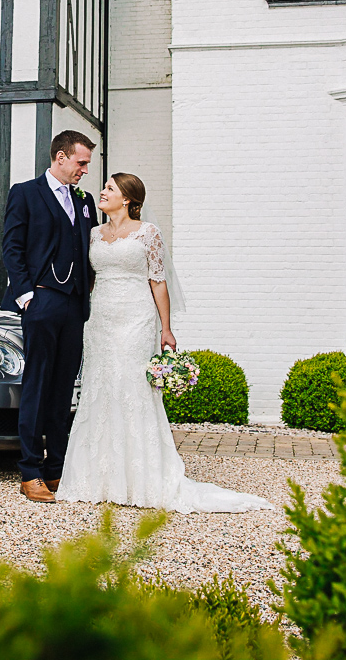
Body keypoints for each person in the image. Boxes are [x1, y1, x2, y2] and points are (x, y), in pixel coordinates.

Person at [56, 172, 274, 513]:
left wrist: (166, 329)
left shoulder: (148, 233)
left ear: (126, 198)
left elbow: (158, 281)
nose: (103, 191)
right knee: (101, 387)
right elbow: (90, 278)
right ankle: (98, 477)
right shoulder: (94, 234)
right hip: (99, 320)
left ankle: (142, 477)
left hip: (137, 317)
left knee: (132, 389)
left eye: (110, 188)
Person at [0, 130, 97, 503]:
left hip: (74, 306)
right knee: (37, 386)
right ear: (60, 157)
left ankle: (57, 469)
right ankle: (29, 470)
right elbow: (12, 247)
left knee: (62, 390)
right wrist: (27, 297)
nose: (85, 170)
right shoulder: (25, 193)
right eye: (81, 162)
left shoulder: (84, 201)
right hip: (40, 302)